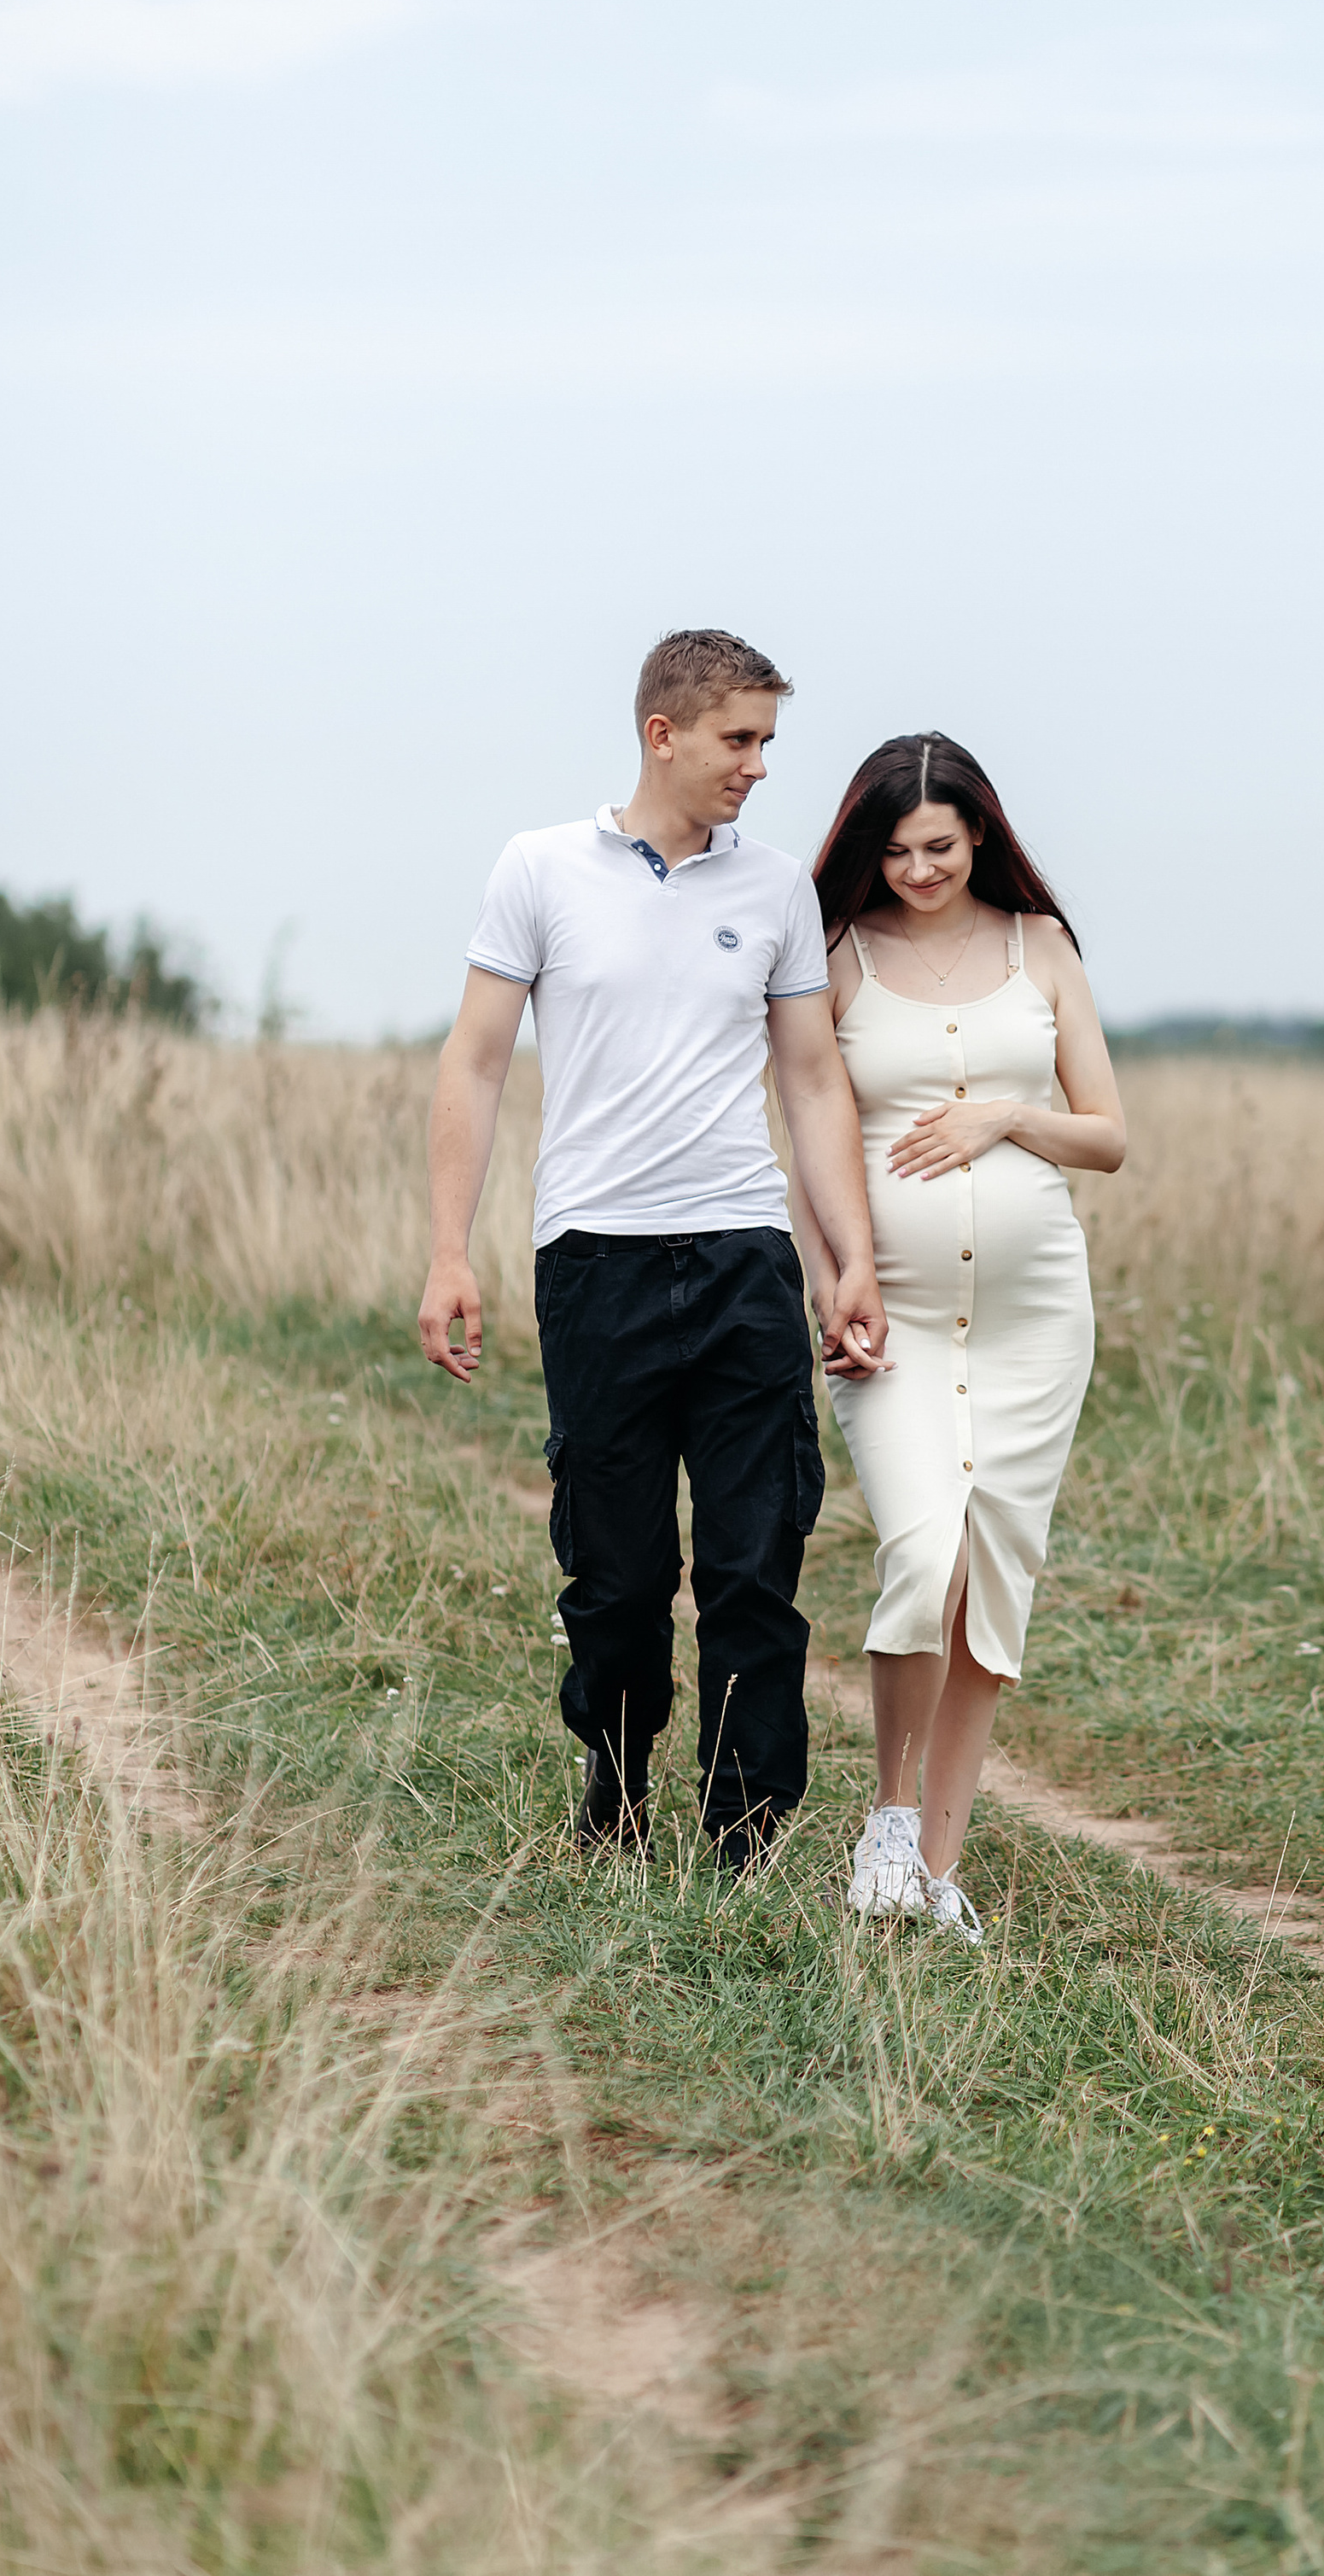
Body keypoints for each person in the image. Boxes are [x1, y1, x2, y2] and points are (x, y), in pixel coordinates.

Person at [417, 629, 888, 1868]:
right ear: (662, 734)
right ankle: (615, 1795)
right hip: (597, 1262)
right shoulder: (540, 869)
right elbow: (472, 1063)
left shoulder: (776, 888)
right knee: (618, 1580)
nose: (760, 767)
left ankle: (744, 1831)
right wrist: (448, 1254)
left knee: (752, 1563)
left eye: (769, 742)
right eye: (741, 740)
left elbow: (813, 1083)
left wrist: (850, 1261)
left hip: (740, 1257)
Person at [796, 733, 1125, 1941]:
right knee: (925, 1551)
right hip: (898, 1320)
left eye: (938, 845)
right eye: (893, 850)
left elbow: (1108, 1136)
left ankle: (939, 1872)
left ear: (979, 832)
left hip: (1040, 1319)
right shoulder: (836, 957)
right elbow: (808, 1144)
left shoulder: (1041, 949)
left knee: (993, 1585)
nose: (917, 869)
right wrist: (837, 1281)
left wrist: (1007, 1116)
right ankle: (886, 1824)